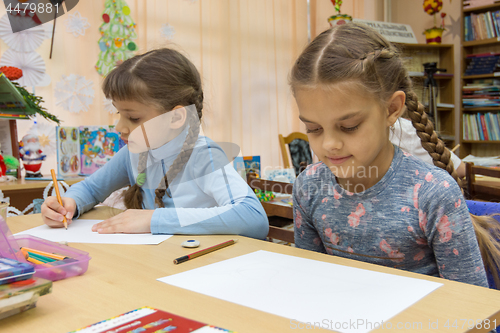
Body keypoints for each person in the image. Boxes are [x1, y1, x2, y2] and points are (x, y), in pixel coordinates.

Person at [289, 22, 500, 287]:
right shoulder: (308, 187)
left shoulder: (433, 194)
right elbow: (309, 284)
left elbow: (475, 317)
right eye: (314, 128)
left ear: (392, 109)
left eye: (349, 126)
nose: (330, 144)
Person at [41, 48, 268, 239]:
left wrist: (154, 219)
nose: (119, 127)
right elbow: (91, 188)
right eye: (119, 113)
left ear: (176, 118)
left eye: (134, 118)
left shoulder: (203, 156)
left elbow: (253, 217)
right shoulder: (135, 152)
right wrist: (70, 203)